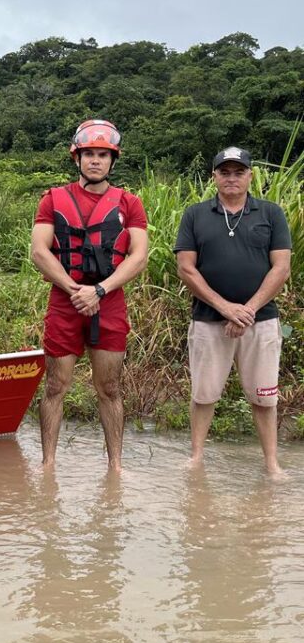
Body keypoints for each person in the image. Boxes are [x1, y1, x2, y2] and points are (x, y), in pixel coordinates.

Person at [30, 119, 148, 472]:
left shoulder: (130, 203)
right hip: (65, 300)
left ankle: (116, 468)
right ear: (77, 158)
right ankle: (48, 466)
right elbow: (39, 251)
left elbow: (139, 256)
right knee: (56, 385)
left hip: (108, 300)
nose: (95, 160)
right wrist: (75, 290)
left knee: (109, 387)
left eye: (103, 155)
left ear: (112, 160)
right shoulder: (52, 199)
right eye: (89, 154)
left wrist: (99, 290)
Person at [174, 147, 292, 479]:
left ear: (250, 176)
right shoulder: (195, 214)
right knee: (204, 394)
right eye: (224, 172)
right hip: (208, 320)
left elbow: (281, 268)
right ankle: (196, 458)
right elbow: (186, 268)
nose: (231, 178)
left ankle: (271, 464)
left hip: (261, 320)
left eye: (238, 172)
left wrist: (247, 310)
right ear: (214, 176)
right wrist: (224, 307)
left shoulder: (271, 213)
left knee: (264, 397)